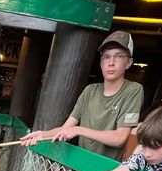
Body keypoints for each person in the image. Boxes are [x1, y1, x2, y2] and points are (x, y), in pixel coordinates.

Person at [21, 30, 144, 160]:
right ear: (101, 63)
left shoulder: (133, 90)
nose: (111, 62)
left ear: (129, 62)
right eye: (106, 57)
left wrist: (79, 130)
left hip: (106, 168)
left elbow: (119, 138)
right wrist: (41, 135)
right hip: (80, 165)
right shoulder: (89, 91)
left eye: (118, 56)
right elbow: (66, 128)